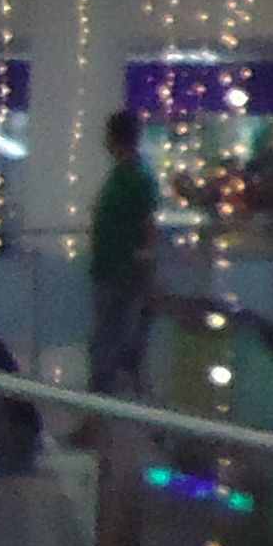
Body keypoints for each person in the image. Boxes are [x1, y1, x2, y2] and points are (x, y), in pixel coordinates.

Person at [84, 107, 159, 396]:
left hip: (121, 272)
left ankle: (101, 406)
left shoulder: (137, 177)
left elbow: (148, 227)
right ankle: (101, 406)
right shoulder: (123, 174)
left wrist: (145, 270)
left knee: (108, 341)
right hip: (110, 270)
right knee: (107, 339)